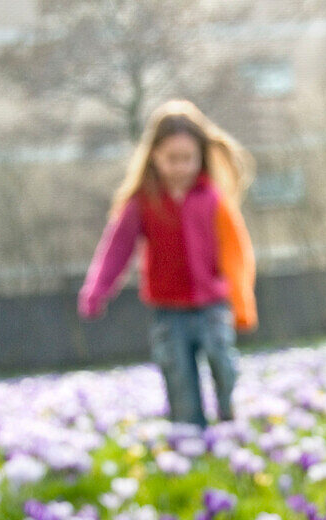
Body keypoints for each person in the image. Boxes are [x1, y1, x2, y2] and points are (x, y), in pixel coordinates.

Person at [78, 100, 258, 426]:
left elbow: (236, 253)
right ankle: (191, 439)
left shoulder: (213, 199)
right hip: (168, 311)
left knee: (223, 363)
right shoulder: (142, 203)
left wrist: (242, 304)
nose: (181, 167)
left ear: (201, 155)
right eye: (172, 158)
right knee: (179, 383)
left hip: (213, 305)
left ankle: (229, 421)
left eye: (188, 158)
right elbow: (117, 249)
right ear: (154, 157)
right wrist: (97, 290)